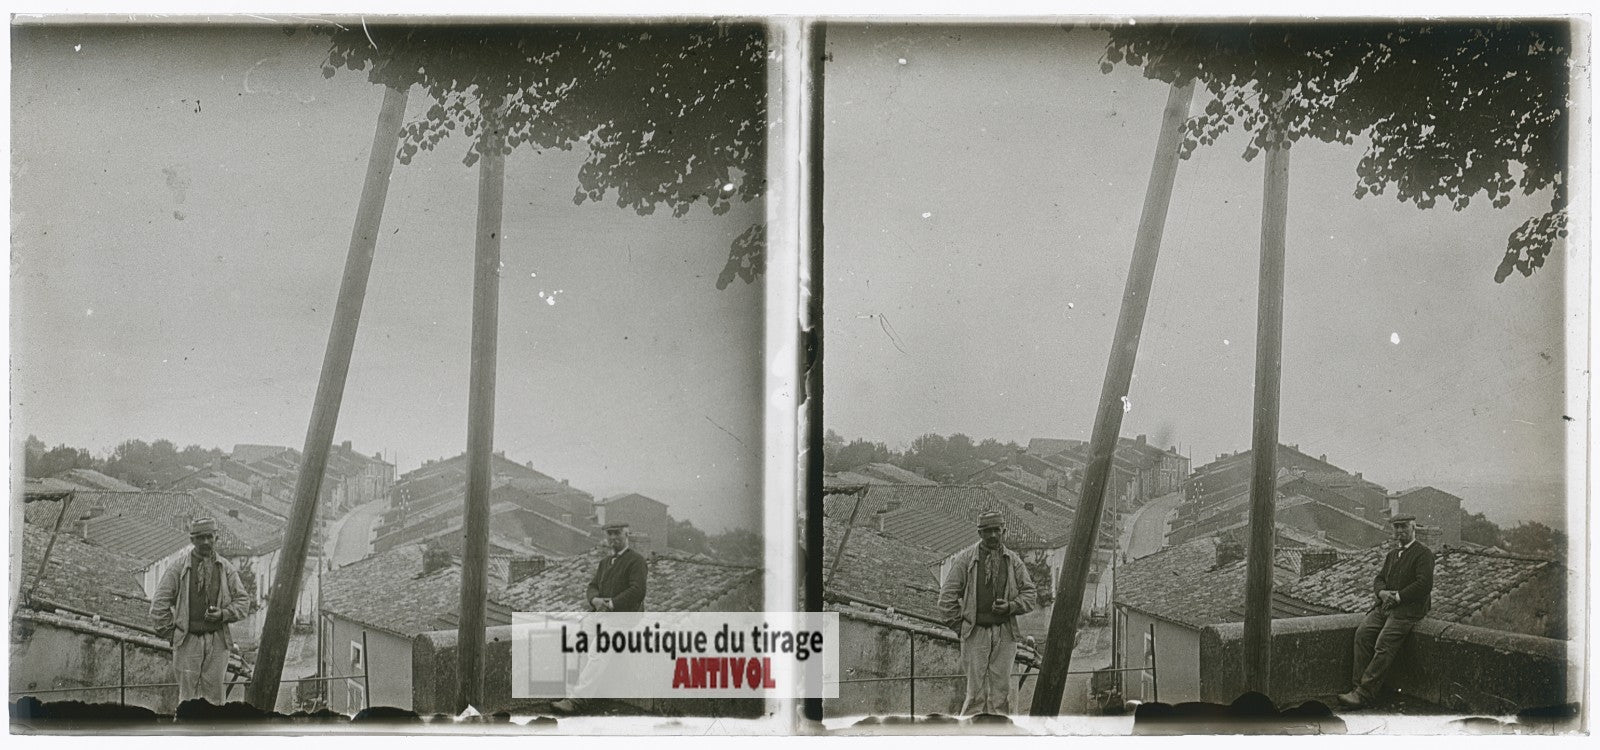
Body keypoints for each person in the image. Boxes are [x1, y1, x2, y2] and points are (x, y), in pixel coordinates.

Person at [937, 510, 1037, 716]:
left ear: (1004, 531)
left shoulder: (1013, 561)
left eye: (997, 530)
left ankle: (998, 733)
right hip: (976, 633)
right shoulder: (966, 560)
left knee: (1001, 695)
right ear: (979, 533)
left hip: (1005, 634)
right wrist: (962, 628)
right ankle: (970, 733)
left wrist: (1010, 606)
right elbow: (946, 599)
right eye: (987, 531)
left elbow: (1030, 595)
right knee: (975, 695)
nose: (993, 535)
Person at [150, 517, 253, 705]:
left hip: (217, 643)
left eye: (209, 537)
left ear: (216, 538)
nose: (205, 542)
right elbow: (158, 606)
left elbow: (243, 602)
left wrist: (223, 614)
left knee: (215, 701)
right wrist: (173, 635)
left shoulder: (225, 568)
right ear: (192, 540)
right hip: (188, 641)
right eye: (200, 537)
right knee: (187, 699)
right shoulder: (178, 568)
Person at [1338, 515, 1434, 708]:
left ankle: (1364, 694)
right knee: (1362, 634)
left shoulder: (1423, 553)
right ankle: (1357, 688)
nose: (1400, 531)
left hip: (1408, 609)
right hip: (1386, 605)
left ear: (1413, 527)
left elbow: (1424, 584)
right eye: (1396, 527)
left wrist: (1398, 596)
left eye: (1404, 526)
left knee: (1384, 644)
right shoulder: (1392, 554)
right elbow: (1379, 578)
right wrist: (1382, 593)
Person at [552, 522, 649, 713]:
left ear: (627, 534)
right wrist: (595, 600)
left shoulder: (636, 561)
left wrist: (612, 603)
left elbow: (638, 591)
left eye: (617, 533)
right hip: (601, 613)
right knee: (574, 642)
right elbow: (593, 586)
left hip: (623, 618)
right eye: (610, 534)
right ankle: (569, 693)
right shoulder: (605, 562)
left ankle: (578, 700)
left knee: (598, 652)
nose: (613, 537)